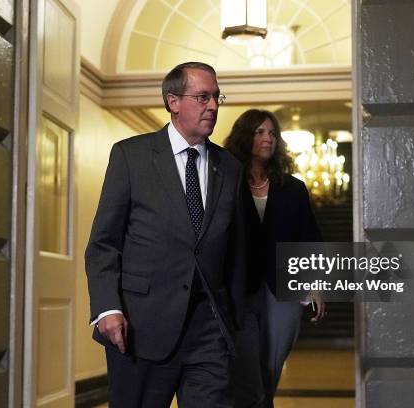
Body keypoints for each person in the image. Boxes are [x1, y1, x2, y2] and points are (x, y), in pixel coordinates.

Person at [85, 62, 245, 408]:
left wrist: (235, 321)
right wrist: (107, 308)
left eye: (217, 97)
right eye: (203, 97)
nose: (214, 106)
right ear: (173, 101)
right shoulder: (131, 156)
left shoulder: (229, 167)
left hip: (208, 333)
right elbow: (103, 243)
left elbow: (236, 250)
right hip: (140, 328)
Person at [224, 109, 325, 407]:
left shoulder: (293, 188)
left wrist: (317, 284)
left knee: (270, 368)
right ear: (245, 137)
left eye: (272, 133)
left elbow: (309, 238)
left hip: (283, 290)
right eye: (259, 132)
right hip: (237, 290)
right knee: (246, 370)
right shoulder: (225, 181)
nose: (268, 138)